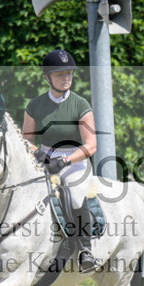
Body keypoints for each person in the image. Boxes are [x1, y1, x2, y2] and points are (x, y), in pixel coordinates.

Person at [23, 49, 99, 272]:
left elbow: (91, 145)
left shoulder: (80, 104)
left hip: (75, 159)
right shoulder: (35, 105)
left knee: (75, 196)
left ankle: (85, 249)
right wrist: (37, 153)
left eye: (69, 73)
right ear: (47, 77)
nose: (66, 78)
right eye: (60, 74)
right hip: (44, 157)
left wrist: (65, 160)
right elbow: (26, 139)